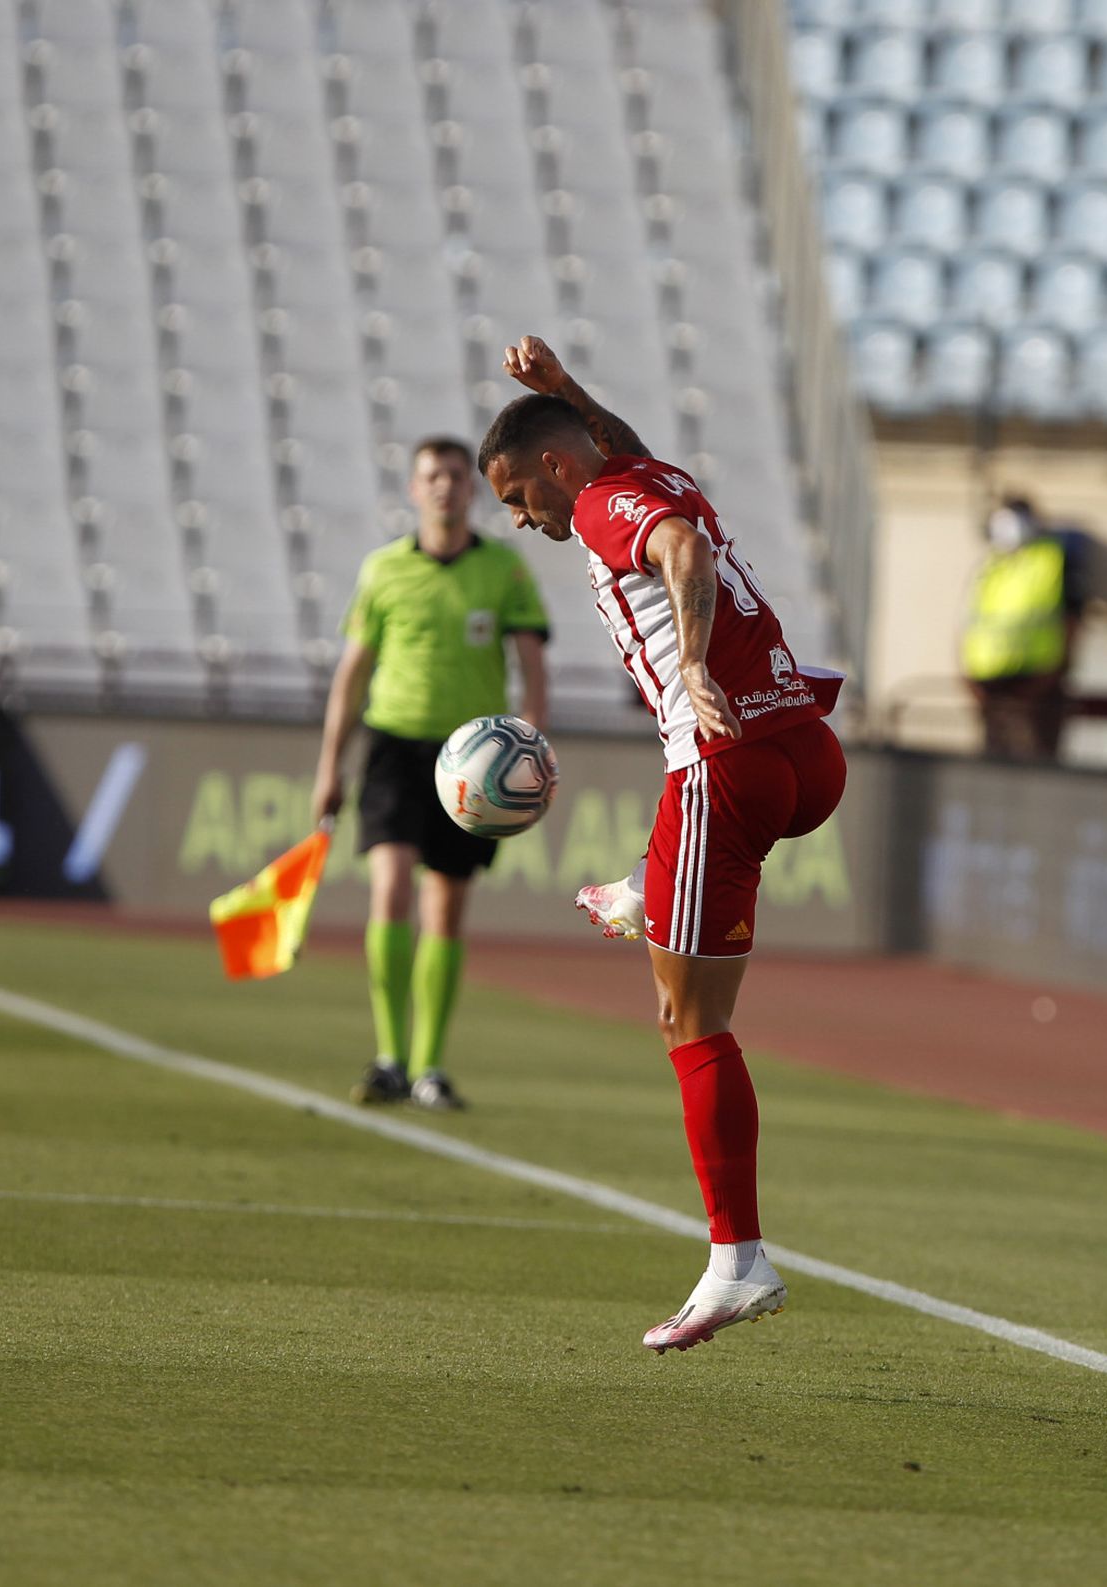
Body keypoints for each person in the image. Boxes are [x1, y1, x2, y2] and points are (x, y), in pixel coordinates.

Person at [477, 336, 847, 1354]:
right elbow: (636, 468)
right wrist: (566, 389)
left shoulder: (604, 504)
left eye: (517, 496)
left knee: (688, 1021)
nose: (520, 519)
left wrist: (690, 663)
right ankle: (649, 885)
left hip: (723, 765)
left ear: (555, 466)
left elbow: (679, 547)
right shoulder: (644, 470)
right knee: (684, 906)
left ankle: (738, 1262)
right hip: (805, 755)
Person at [312, 436, 550, 1111]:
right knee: (389, 887)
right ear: (414, 489)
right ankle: (390, 1056)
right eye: (431, 476)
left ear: (471, 489)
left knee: (444, 906)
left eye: (454, 475)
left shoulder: (503, 569)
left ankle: (430, 1067)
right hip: (393, 745)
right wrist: (330, 766)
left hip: (472, 761)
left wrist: (532, 750)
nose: (444, 486)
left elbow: (533, 668)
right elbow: (352, 674)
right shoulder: (383, 569)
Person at [961, 496, 1086, 761]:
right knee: (993, 761)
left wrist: (1051, 676)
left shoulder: (1052, 560)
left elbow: (1071, 623)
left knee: (1036, 759)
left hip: (1038, 687)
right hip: (991, 689)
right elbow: (972, 625)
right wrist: (970, 681)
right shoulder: (991, 566)